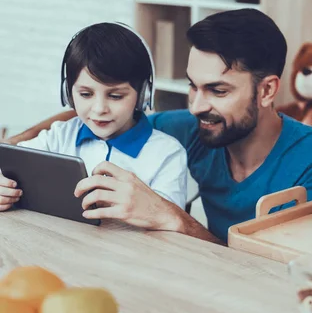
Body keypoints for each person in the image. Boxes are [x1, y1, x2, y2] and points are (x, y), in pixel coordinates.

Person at [4, 9, 312, 244]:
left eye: (218, 90)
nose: (197, 106)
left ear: (266, 90)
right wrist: (16, 146)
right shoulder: (193, 127)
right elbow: (106, 118)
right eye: (192, 86)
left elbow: (265, 271)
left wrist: (171, 217)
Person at [0, 22, 187, 212]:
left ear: (143, 95)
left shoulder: (167, 154)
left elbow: (170, 227)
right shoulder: (58, 136)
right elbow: (10, 165)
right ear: (68, 93)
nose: (99, 109)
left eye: (115, 96)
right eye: (86, 94)